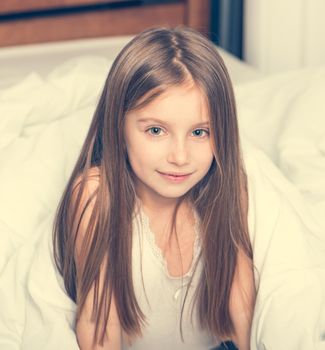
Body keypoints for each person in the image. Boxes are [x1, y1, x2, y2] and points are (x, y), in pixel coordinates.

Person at [52, 26, 255, 350]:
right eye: (156, 130)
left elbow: (242, 304)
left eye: (200, 132)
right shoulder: (97, 195)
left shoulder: (226, 186)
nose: (179, 157)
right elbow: (100, 326)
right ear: (118, 125)